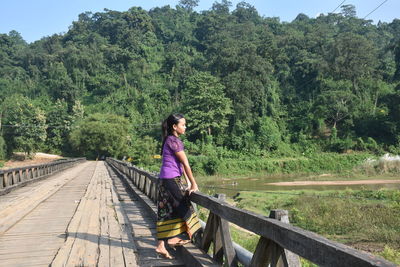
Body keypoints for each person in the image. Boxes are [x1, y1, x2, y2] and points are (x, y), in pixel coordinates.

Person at [155, 113, 201, 259]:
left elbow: (180, 164)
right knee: (185, 207)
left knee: (167, 210)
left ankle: (161, 245)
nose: (185, 127)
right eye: (183, 125)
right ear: (174, 127)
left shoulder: (168, 139)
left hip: (164, 180)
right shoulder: (174, 141)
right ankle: (176, 237)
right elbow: (186, 163)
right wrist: (193, 183)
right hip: (171, 180)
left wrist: (187, 181)